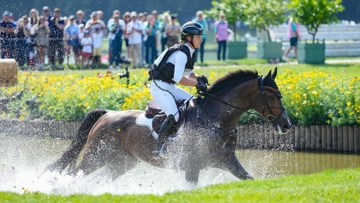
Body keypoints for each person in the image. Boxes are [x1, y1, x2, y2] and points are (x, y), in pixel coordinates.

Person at [148, 21, 208, 159]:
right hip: (159, 86)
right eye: (198, 37)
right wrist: (196, 84)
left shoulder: (188, 51)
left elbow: (189, 73)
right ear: (189, 38)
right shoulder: (181, 54)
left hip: (170, 86)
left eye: (201, 36)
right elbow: (179, 78)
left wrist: (198, 79)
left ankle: (184, 137)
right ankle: (159, 149)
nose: (201, 39)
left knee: (193, 103)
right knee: (174, 115)